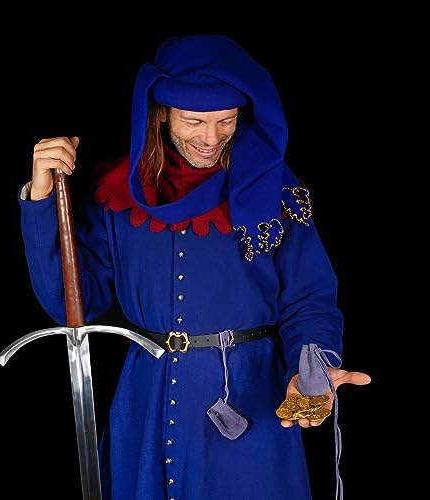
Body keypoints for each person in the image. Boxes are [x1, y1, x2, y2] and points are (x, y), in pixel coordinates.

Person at [19, 34, 371, 500]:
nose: (211, 138)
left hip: (251, 394)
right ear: (161, 113)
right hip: (147, 397)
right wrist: (41, 197)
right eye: (194, 120)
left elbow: (309, 299)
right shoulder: (116, 194)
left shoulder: (276, 192)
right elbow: (73, 305)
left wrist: (313, 370)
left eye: (226, 120)